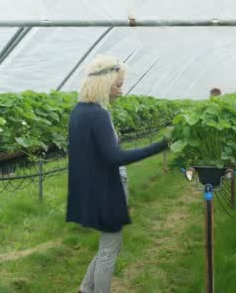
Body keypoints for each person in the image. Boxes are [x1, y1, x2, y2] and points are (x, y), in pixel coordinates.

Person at [67, 55, 169, 293]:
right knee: (110, 248)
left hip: (91, 187)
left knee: (109, 244)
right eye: (118, 84)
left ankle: (85, 289)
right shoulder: (98, 114)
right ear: (104, 82)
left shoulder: (79, 111)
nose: (121, 91)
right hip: (106, 187)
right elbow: (114, 158)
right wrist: (158, 146)